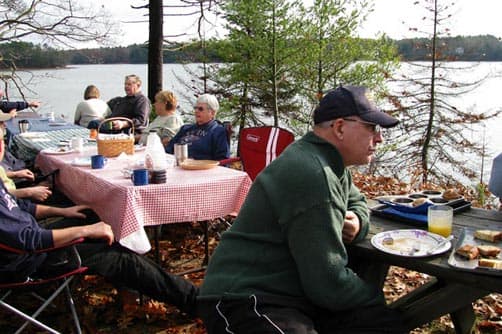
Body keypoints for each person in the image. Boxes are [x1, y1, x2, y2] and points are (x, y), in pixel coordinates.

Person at [197, 85, 410, 333]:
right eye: (371, 127)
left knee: (386, 324)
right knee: (382, 318)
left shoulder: (329, 163)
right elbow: (328, 284)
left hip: (290, 294)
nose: (379, 137)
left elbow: (358, 202)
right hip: (243, 299)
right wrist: (376, 297)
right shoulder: (312, 171)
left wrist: (360, 223)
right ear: (340, 127)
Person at [0, 122, 198, 316]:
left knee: (96, 215)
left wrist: (64, 212)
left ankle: (131, 284)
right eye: (2, 141)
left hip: (30, 247)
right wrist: (86, 231)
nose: (3, 146)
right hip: (29, 262)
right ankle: (196, 301)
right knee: (121, 258)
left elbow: (20, 207)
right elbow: (29, 240)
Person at [165, 94, 230, 160]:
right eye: (195, 108)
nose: (196, 111)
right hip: (177, 166)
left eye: (200, 109)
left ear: (212, 113)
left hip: (202, 168)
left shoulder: (218, 131)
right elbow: (168, 150)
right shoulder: (185, 129)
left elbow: (223, 159)